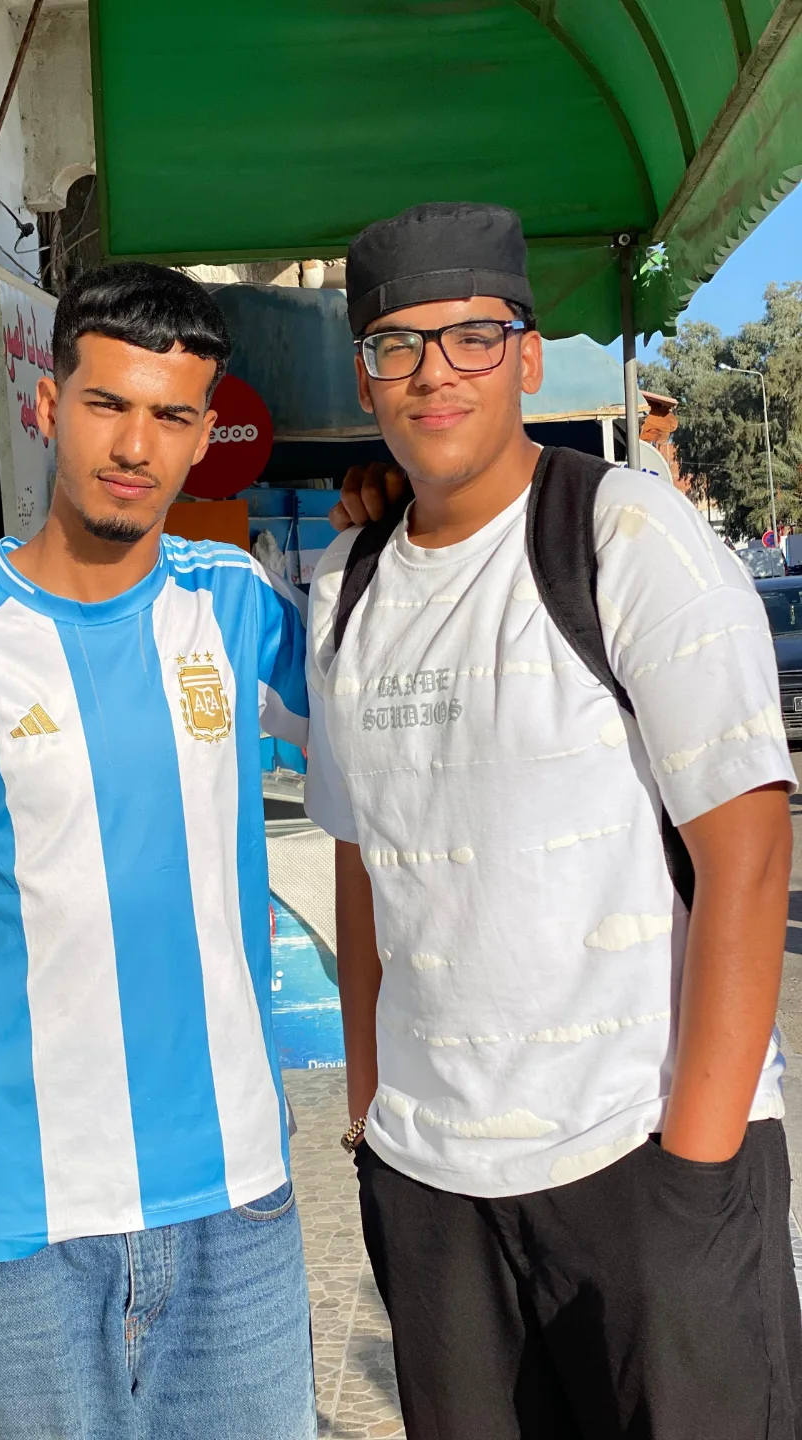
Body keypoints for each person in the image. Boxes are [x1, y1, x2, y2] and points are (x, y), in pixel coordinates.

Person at [305, 201, 801, 1439]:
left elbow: (746, 855)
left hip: (641, 1154)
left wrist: (696, 1169)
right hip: (433, 1188)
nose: (435, 372)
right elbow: (362, 860)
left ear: (527, 356)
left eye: (473, 336)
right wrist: (369, 1114)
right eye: (397, 344)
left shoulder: (625, 534)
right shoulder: (344, 586)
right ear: (365, 376)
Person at [0, 262, 318, 1440]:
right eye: (107, 405)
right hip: (24, 1226)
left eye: (172, 416)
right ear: (49, 405)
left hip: (238, 1200)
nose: (135, 446)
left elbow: (394, 735)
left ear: (205, 434)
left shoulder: (237, 603)